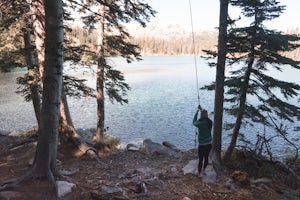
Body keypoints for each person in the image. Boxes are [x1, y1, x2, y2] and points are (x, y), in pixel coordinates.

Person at [193, 105, 212, 176]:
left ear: (201, 115)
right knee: (206, 157)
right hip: (209, 144)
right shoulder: (210, 122)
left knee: (200, 158)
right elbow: (204, 116)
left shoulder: (200, 123)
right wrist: (201, 109)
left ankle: (199, 171)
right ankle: (204, 170)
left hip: (201, 145)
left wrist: (197, 112)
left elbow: (194, 122)